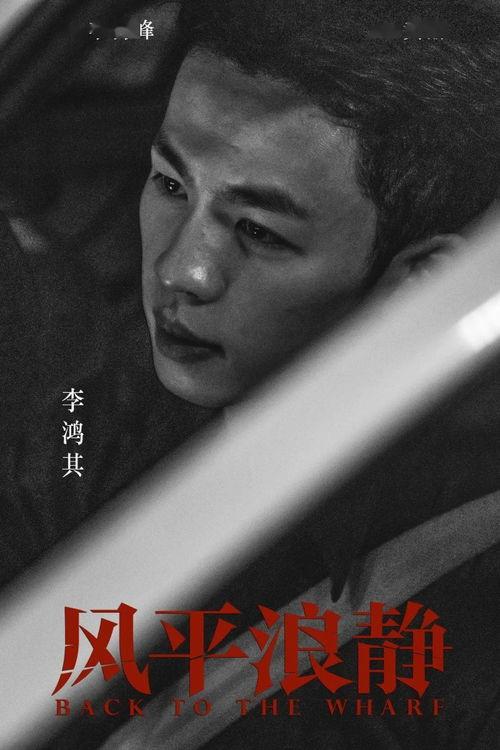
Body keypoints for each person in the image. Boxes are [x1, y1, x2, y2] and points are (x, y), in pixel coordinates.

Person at [73, 1, 499, 749]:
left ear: (420, 283)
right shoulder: (104, 418)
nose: (180, 270)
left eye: (257, 231)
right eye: (171, 185)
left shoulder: (465, 618)